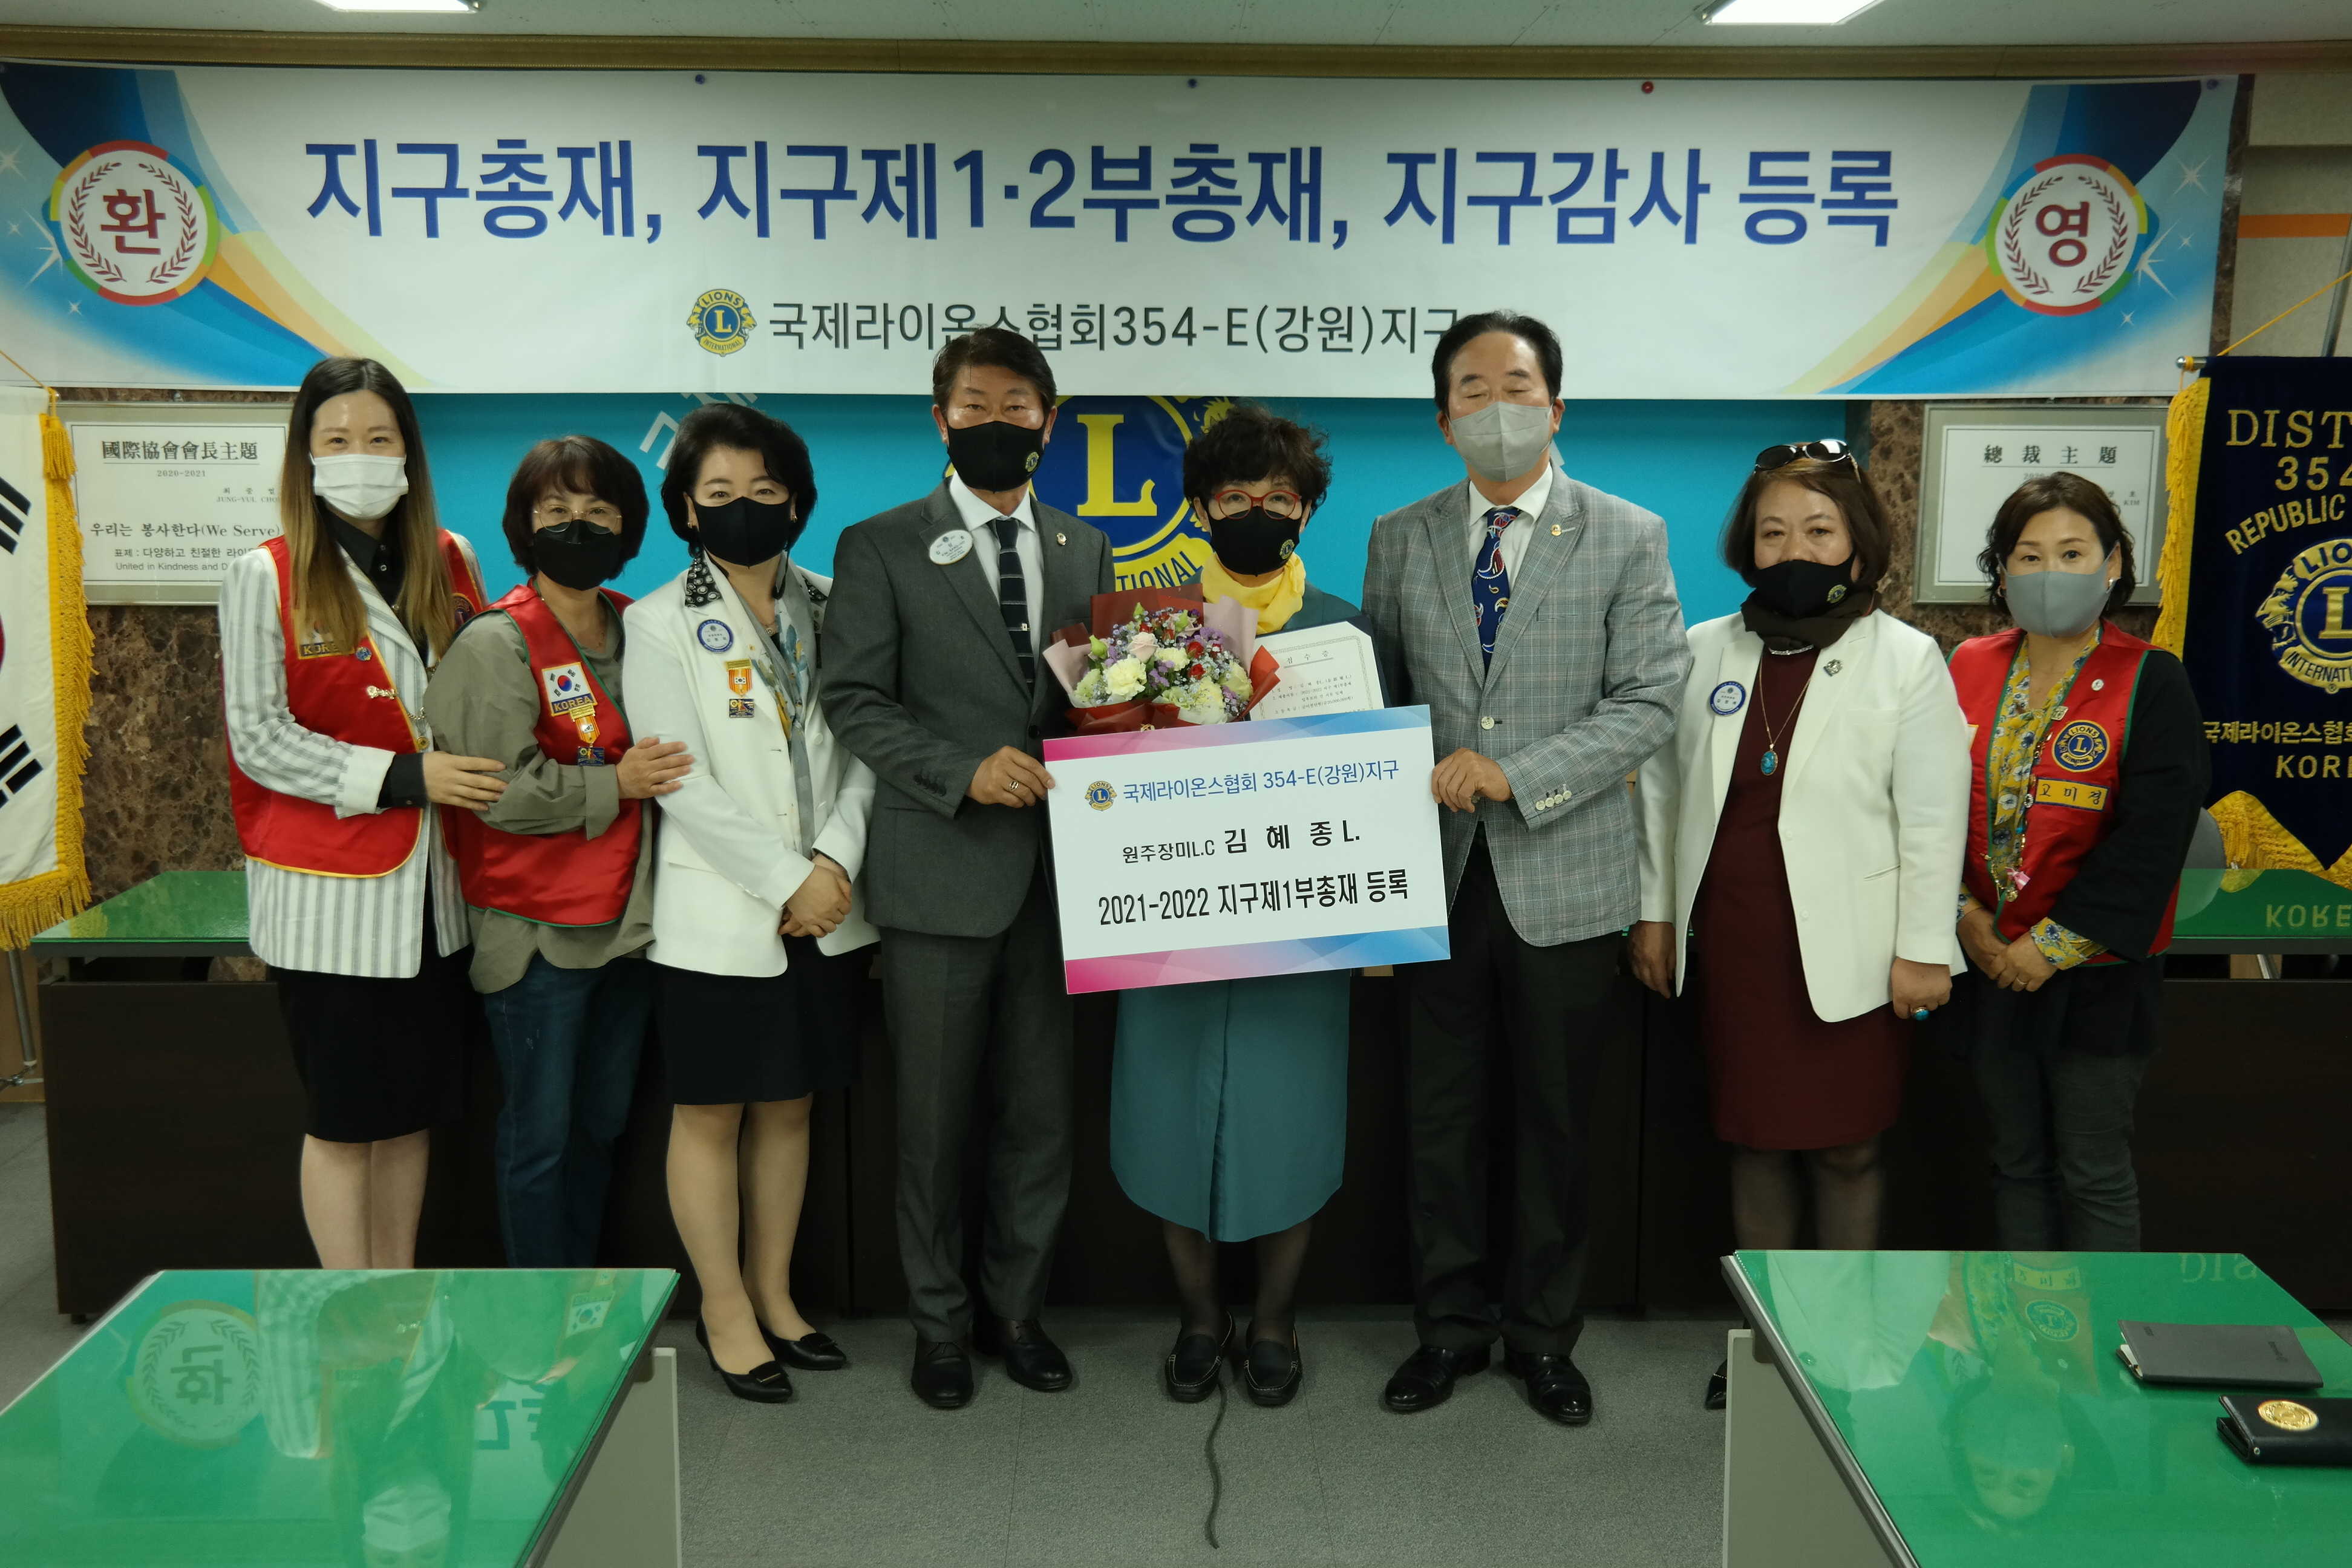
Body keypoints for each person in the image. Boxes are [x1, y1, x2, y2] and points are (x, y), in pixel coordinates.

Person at [1361, 310, 1691, 1427]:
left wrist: (1518, 774)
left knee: (1555, 1123)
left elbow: (1649, 700)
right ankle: (1448, 1331)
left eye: (1516, 386)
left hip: (1566, 878)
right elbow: (1383, 701)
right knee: (1439, 1120)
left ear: (1555, 406)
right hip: (1436, 879)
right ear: (1443, 416)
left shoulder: (1628, 533)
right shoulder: (1399, 535)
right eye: (1471, 388)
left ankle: (1545, 1338)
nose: (1494, 407)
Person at [1630, 439, 1970, 1410]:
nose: (1795, 550)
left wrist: (1924, 949)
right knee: (1756, 1143)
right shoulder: (1704, 649)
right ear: (1748, 544)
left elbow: (1934, 816)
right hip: (1737, 940)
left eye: (1818, 530)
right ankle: (1768, 1345)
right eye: (1774, 532)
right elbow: (1659, 791)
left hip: (1857, 946)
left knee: (1848, 1149)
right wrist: (1655, 912)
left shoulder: (1906, 658)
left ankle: (1844, 1344)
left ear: (1858, 545)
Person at [823, 328, 1114, 1410]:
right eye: (976, 407)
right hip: (939, 875)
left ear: (1050, 419)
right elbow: (854, 700)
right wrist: (961, 772)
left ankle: (1017, 1314)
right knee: (934, 1124)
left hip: (1060, 883)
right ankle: (939, 1327)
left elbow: (1100, 701)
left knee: (1040, 1119)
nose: (998, 424)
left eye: (1018, 407)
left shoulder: (1086, 547)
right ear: (939, 419)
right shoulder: (881, 544)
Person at [1111, 404, 1370, 1408]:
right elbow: (1101, 776)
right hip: (1169, 925)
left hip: (1302, 929)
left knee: (1291, 1119)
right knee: (1165, 1114)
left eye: (1279, 496)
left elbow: (1380, 791)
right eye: (1234, 497)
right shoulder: (1142, 632)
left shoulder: (1350, 630)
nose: (1257, 511)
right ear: (1199, 509)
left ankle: (1274, 1320)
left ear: (1307, 510)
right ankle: (1196, 1317)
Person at [621, 402, 878, 1403]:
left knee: (791, 1103)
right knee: (711, 1112)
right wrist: (786, 880)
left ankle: (776, 1295)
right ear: (686, 509)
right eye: (720, 493)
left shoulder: (835, 603)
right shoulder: (656, 622)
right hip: (722, 915)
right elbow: (678, 778)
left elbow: (863, 748)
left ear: (798, 504)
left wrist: (834, 863)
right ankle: (723, 1309)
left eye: (766, 491)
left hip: (830, 907)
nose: (744, 508)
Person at [221, 356, 494, 1270]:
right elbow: (260, 739)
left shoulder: (452, 559)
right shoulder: (264, 574)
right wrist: (409, 776)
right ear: (305, 455)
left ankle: (396, 1292)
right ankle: (351, 1301)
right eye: (337, 440)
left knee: (408, 1115)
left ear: (409, 453)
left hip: (436, 896)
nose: (361, 456)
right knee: (344, 1122)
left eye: (380, 438)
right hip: (330, 897)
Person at [425, 436, 693, 1268]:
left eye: (600, 511)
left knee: (601, 1127)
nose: (579, 527)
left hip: (631, 929)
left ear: (630, 527)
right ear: (523, 527)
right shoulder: (495, 643)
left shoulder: (642, 626)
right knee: (539, 1137)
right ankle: (540, 1312)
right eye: (556, 511)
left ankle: (587, 1306)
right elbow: (496, 790)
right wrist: (620, 783)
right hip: (538, 936)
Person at [1948, 472, 2207, 1252]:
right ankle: (2024, 1326)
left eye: (2072, 553)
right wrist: (1967, 919)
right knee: (2015, 1162)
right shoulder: (1966, 666)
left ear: (2113, 564)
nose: (2049, 572)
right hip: (1988, 961)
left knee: (2093, 1170)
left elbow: (2155, 836)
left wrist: (2051, 946)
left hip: (2095, 973)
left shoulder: (2151, 678)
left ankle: (2105, 1331)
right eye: (2028, 556)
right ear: (2001, 572)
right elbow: (1923, 805)